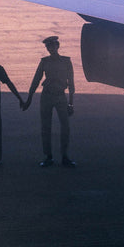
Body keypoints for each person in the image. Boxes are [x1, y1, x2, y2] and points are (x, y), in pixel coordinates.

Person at [24, 36, 76, 168]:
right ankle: (48, 156)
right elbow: (36, 80)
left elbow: (71, 83)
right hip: (46, 96)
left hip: (60, 96)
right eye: (48, 47)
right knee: (45, 127)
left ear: (57, 46)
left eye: (52, 46)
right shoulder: (44, 62)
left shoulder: (66, 61)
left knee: (65, 127)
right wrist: (29, 98)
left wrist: (71, 103)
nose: (50, 49)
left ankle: (64, 156)